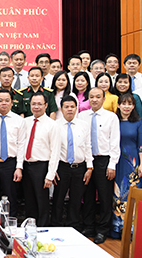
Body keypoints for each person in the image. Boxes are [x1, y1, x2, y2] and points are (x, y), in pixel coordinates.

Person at [77, 87, 120, 244]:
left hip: (104, 160)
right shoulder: (82, 116)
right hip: (86, 161)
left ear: (103, 99)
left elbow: (115, 142)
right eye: (91, 97)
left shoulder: (111, 117)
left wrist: (112, 164)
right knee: (87, 195)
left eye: (98, 97)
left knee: (104, 196)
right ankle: (88, 226)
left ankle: (102, 229)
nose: (94, 100)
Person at [17, 92, 61, 227]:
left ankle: (42, 228)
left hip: (42, 167)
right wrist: (19, 166)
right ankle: (30, 228)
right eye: (33, 104)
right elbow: (21, 144)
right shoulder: (25, 122)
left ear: (46, 105)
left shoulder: (52, 125)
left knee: (42, 201)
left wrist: (50, 175)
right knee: (29, 200)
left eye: (39, 104)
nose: (36, 107)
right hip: (27, 165)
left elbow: (55, 151)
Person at [51, 96, 92, 230]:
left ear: (76, 108)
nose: (69, 109)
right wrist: (53, 170)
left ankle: (73, 226)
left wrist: (90, 167)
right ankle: (56, 225)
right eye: (66, 107)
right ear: (61, 109)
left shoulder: (84, 125)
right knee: (58, 198)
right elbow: (52, 149)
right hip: (61, 167)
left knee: (76, 199)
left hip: (79, 167)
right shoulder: (55, 125)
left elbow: (88, 146)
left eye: (72, 107)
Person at [111, 93, 142, 239]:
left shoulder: (138, 122)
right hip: (116, 161)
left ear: (133, 106)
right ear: (118, 105)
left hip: (132, 163)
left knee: (130, 194)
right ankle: (116, 227)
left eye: (129, 104)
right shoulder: (114, 120)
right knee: (116, 194)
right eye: (123, 103)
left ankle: (129, 229)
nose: (126, 107)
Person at [0, 89, 26, 217]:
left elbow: (21, 145)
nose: (3, 103)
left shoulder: (19, 120)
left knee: (11, 197)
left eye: (7, 101)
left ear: (11, 103)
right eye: (0, 101)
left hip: (11, 163)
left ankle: (11, 228)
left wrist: (19, 167)